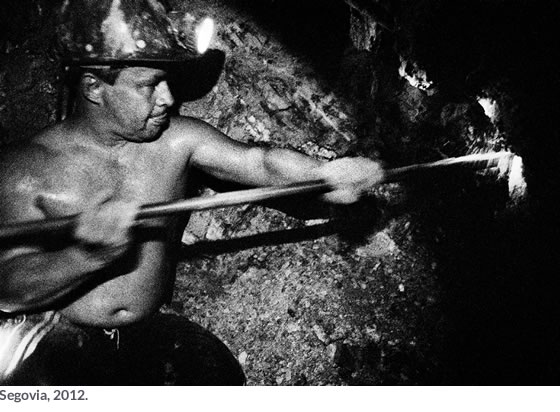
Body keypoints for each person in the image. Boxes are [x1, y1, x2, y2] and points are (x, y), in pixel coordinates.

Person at [0, 0, 384, 385]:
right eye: (149, 84)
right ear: (94, 88)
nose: (167, 98)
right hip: (55, 341)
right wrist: (86, 256)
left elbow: (258, 162)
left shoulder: (176, 140)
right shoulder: (25, 172)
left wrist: (326, 175)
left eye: (167, 81)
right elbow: (9, 289)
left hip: (145, 335)